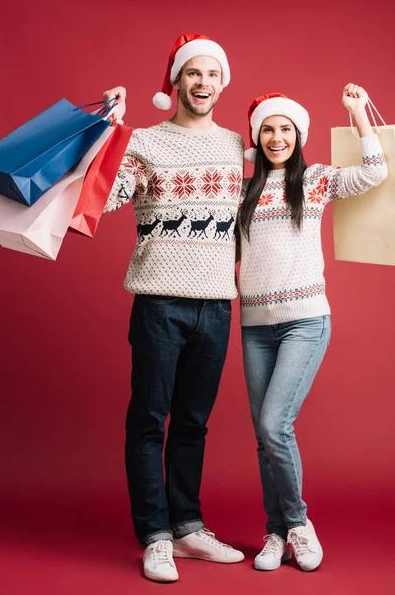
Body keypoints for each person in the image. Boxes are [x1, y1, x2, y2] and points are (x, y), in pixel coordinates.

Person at [102, 33, 245, 583]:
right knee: (149, 420)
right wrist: (108, 129)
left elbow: (289, 183)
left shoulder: (239, 147)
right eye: (193, 74)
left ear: (221, 83)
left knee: (193, 422)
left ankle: (187, 527)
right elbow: (109, 195)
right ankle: (155, 536)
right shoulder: (145, 143)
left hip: (217, 305)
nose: (203, 83)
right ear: (176, 82)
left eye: (212, 74)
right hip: (159, 300)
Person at [238, 85, 387, 572]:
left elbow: (375, 171)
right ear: (256, 137)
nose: (276, 137)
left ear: (298, 135)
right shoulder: (243, 190)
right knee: (265, 437)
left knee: (273, 425)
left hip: (304, 320)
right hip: (255, 325)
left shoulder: (317, 180)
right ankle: (274, 531)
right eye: (267, 129)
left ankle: (298, 523)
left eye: (285, 129)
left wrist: (358, 113)